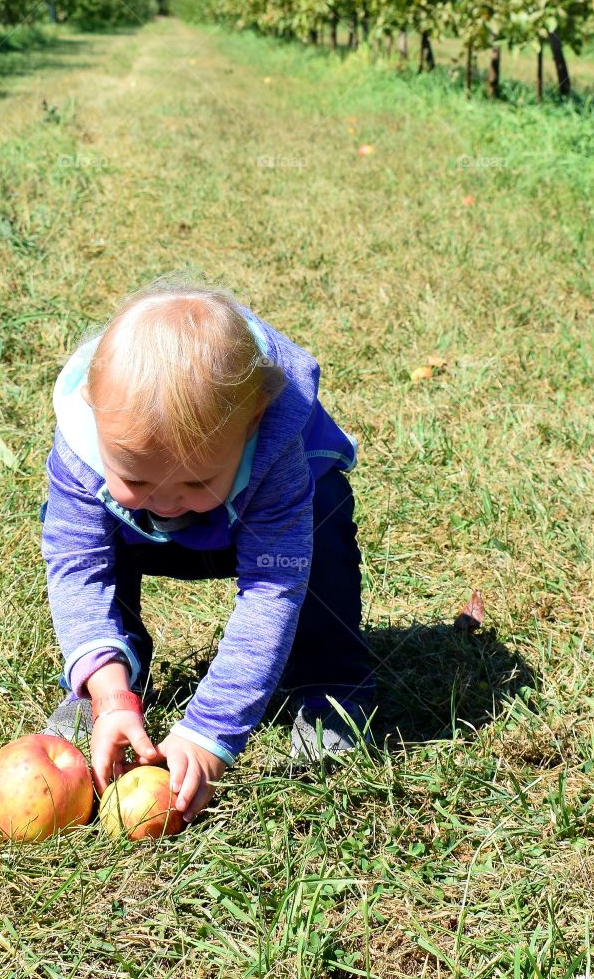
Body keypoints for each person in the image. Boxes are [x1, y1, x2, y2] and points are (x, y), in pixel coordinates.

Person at [39, 276, 375, 824]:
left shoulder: (274, 452)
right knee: (83, 530)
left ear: (251, 431)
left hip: (251, 531)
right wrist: (108, 690)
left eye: (194, 483)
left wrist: (210, 733)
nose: (168, 502)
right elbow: (77, 566)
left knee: (323, 515)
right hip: (140, 542)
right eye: (138, 480)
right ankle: (110, 678)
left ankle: (330, 686)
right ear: (94, 416)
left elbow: (272, 593)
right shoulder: (82, 446)